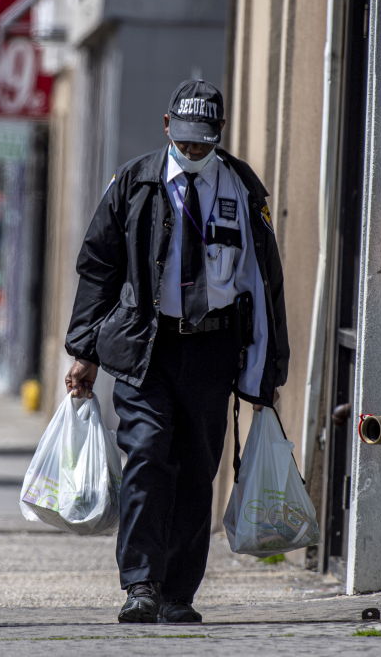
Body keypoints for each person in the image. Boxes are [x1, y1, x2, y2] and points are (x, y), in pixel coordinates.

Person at [63, 80, 289, 624]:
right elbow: (99, 267)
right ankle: (140, 583)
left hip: (212, 351)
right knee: (146, 456)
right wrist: (83, 351)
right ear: (167, 127)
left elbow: (262, 285)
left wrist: (264, 371)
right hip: (147, 345)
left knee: (195, 471)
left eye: (202, 143)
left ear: (218, 135)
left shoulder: (240, 188)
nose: (191, 152)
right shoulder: (134, 184)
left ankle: (179, 594)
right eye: (183, 141)